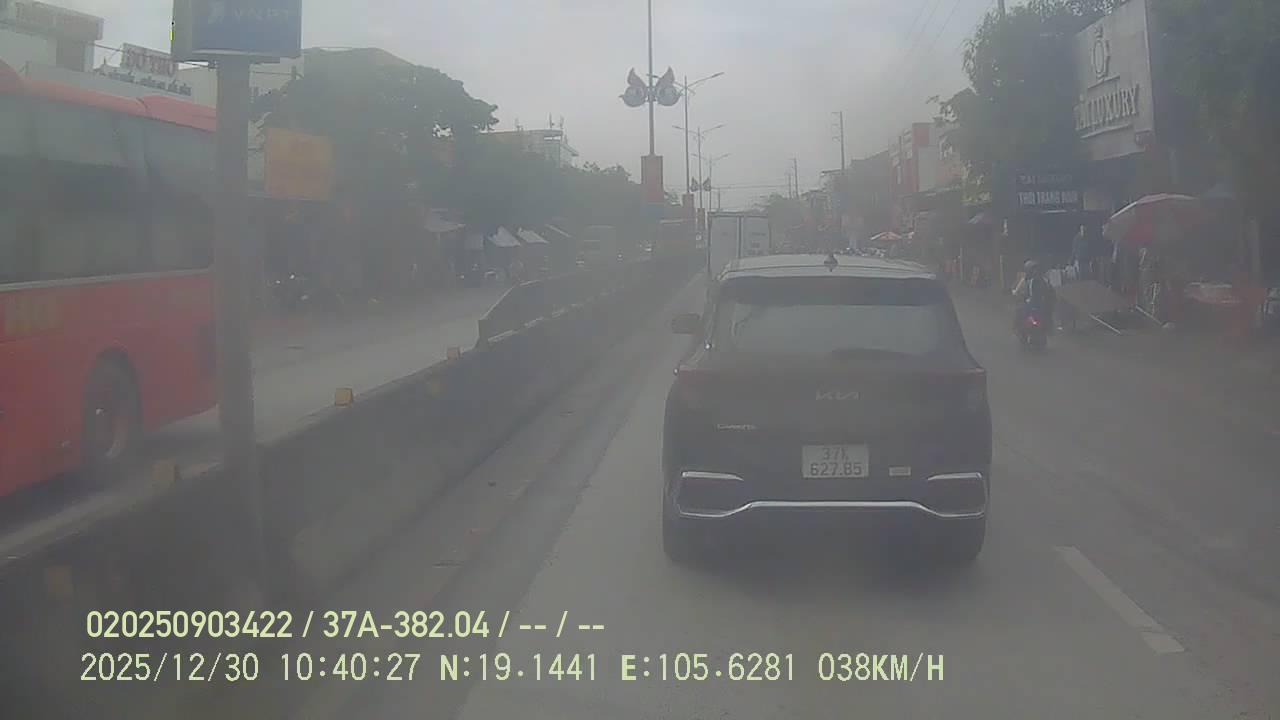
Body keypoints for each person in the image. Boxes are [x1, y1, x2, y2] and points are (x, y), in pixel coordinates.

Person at [1012, 259, 1055, 332]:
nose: (1035, 271)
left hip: (1034, 305)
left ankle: (1017, 330)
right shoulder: (1043, 280)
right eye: (1033, 269)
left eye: (1035, 269)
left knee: (1018, 311)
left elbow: (1017, 292)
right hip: (1040, 306)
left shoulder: (1026, 280)